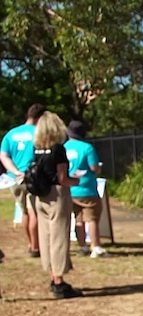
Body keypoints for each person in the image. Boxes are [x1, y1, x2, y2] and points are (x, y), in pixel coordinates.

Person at [33, 112, 82, 298]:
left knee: (45, 237)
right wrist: (77, 181)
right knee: (59, 237)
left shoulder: (37, 149)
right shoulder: (58, 150)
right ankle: (60, 281)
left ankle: (52, 274)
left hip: (41, 195)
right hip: (57, 195)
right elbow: (62, 178)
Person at [1, 103, 46, 257]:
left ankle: (30, 242)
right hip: (32, 177)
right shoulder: (38, 133)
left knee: (24, 212)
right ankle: (35, 247)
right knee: (34, 211)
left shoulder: (11, 134)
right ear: (40, 117)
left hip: (14, 179)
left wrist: (14, 171)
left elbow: (4, 155)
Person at [64, 120, 107, 258]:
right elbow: (94, 167)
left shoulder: (63, 148)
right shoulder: (87, 148)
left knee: (78, 219)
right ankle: (96, 246)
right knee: (92, 219)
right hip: (87, 189)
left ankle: (82, 246)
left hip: (70, 189)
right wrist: (98, 168)